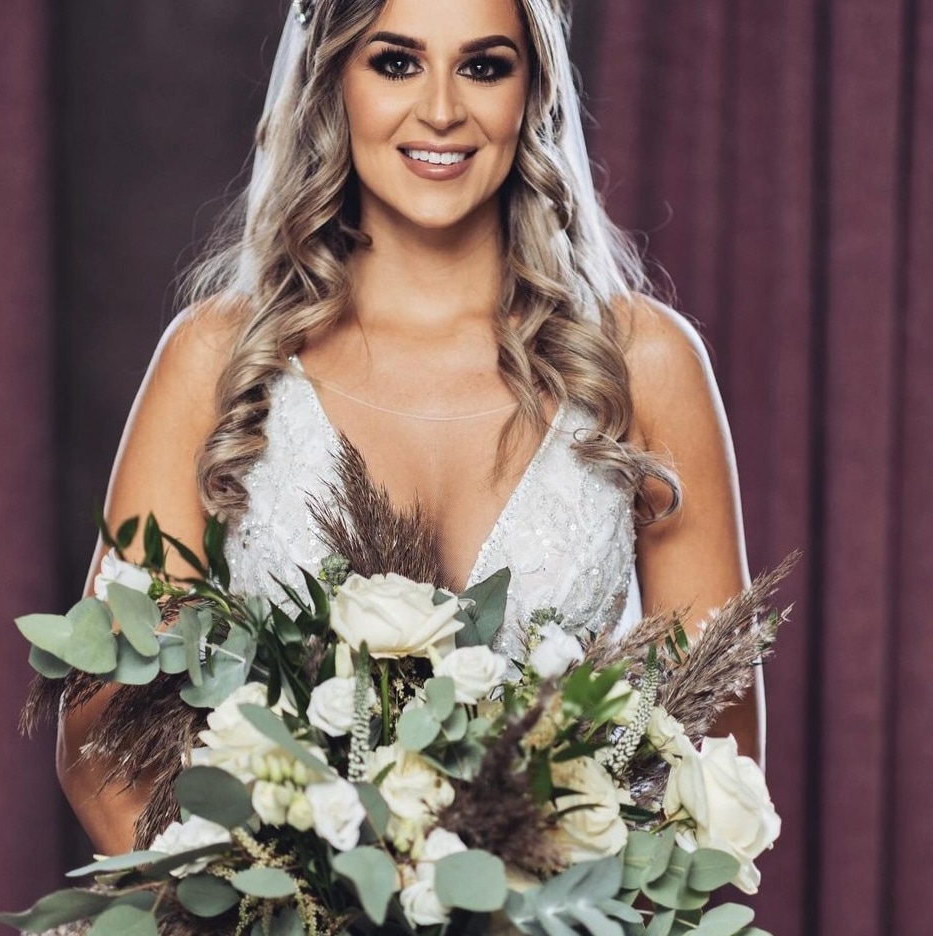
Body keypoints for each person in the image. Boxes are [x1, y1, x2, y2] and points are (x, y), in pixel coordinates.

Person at [57, 0, 762, 858]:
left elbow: (715, 754)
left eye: (483, 65)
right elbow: (99, 739)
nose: (440, 109)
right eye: (395, 62)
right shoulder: (216, 361)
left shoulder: (643, 363)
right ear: (335, 81)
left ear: (533, 91)